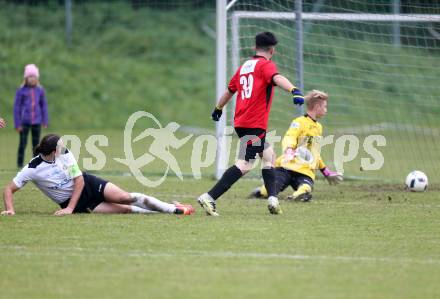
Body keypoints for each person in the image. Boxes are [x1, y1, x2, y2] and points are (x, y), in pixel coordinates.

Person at [197, 31, 305, 216]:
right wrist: (294, 90)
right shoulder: (265, 65)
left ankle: (273, 199)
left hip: (242, 121)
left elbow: (230, 90)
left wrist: (218, 108)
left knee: (269, 156)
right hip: (253, 124)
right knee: (246, 164)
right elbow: (277, 78)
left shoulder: (244, 67)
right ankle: (209, 197)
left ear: (255, 47)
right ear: (273, 50)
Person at [1, 134, 194, 216]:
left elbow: (79, 180)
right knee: (126, 210)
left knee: (126, 198)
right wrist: (10, 209)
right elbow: (8, 189)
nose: (63, 148)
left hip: (88, 185)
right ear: (52, 151)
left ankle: (172, 209)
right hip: (79, 203)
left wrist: (69, 208)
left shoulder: (65, 153)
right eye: (59, 147)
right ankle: (170, 207)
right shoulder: (33, 168)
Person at [249, 90, 343, 202]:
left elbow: (314, 153)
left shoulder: (318, 127)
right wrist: (289, 149)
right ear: (317, 106)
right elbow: (290, 136)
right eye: (325, 107)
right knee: (271, 190)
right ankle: (262, 191)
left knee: (306, 187)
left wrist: (325, 171)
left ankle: (296, 196)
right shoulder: (299, 122)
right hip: (287, 166)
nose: (326, 110)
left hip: (304, 171)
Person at [14, 64, 49, 168]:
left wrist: (45, 120)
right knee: (23, 143)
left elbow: (43, 106)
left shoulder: (40, 90)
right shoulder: (21, 91)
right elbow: (17, 107)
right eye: (30, 76)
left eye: (34, 76)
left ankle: (36, 163)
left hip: (37, 122)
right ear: (26, 78)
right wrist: (17, 123)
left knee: (36, 144)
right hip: (24, 122)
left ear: (37, 78)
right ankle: (19, 164)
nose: (32, 79)